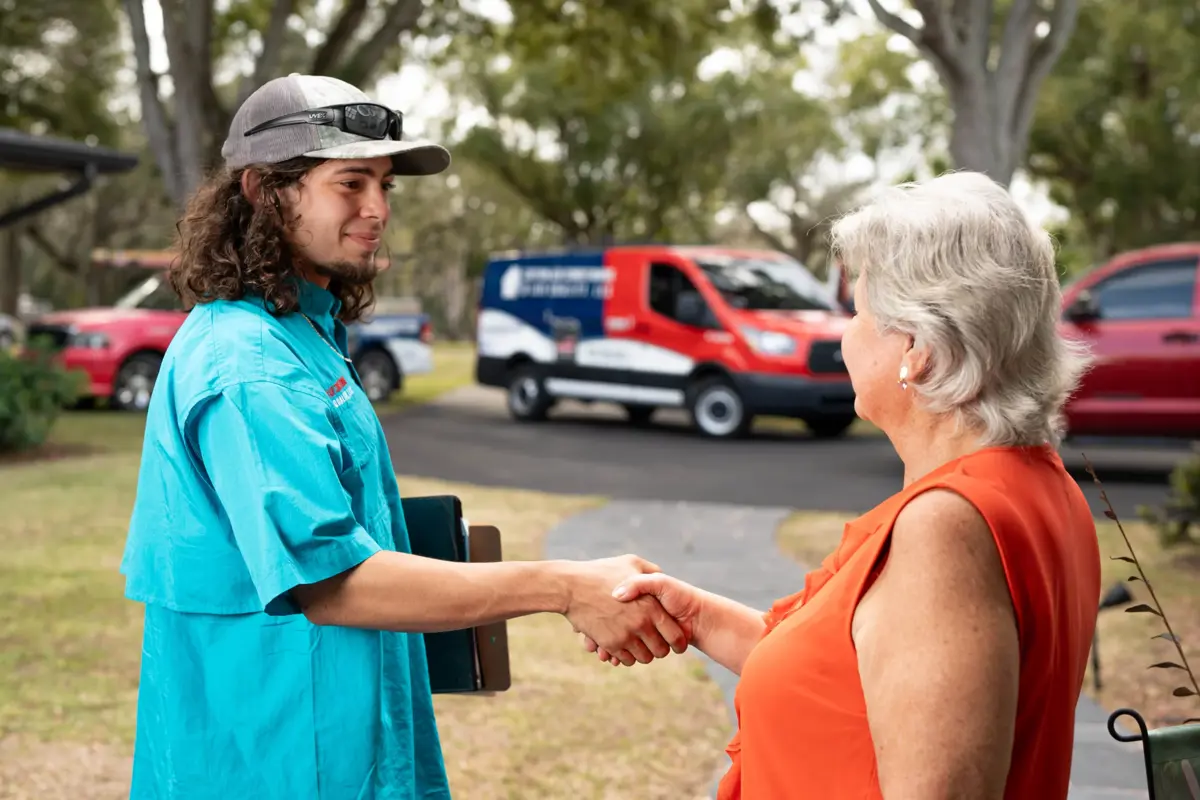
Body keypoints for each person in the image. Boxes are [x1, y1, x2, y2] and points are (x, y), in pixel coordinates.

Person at [119, 73, 687, 800]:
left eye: (385, 185)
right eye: (350, 183)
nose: (378, 210)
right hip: (284, 761)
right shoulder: (250, 367)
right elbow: (333, 582)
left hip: (348, 732)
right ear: (265, 191)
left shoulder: (301, 335)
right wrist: (565, 586)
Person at [586, 171, 1102, 799]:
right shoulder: (1034, 486)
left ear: (917, 349)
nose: (843, 333)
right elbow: (850, 684)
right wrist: (695, 616)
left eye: (857, 312)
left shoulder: (946, 528)